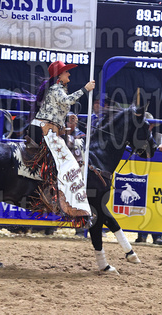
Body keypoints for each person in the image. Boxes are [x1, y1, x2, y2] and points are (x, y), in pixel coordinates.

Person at [27, 61, 95, 226]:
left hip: (46, 129)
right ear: (59, 76)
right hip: (43, 130)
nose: (69, 75)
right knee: (68, 163)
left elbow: (55, 116)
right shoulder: (56, 89)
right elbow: (68, 101)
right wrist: (85, 89)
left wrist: (66, 127)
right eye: (66, 72)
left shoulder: (57, 89)